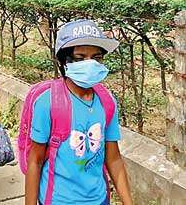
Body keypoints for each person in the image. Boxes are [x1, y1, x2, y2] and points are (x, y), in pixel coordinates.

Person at [25, 19, 132, 205]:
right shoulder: (47, 104)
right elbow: (35, 160)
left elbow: (113, 159)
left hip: (99, 199)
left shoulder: (107, 102)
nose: (89, 64)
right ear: (64, 61)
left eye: (96, 57)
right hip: (58, 200)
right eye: (80, 58)